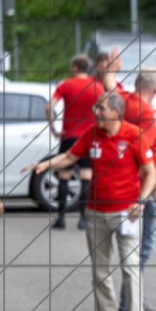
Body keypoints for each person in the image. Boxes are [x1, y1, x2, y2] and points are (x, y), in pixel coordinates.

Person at [25, 90, 156, 311]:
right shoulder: (91, 134)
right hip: (96, 213)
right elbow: (69, 157)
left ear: (117, 112)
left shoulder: (133, 135)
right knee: (100, 270)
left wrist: (141, 200)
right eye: (96, 108)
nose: (96, 113)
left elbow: (150, 173)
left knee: (130, 268)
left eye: (101, 109)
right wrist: (45, 165)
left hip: (127, 213)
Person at [120, 65, 156, 311]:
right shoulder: (144, 110)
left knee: (133, 247)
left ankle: (129, 301)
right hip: (141, 190)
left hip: (133, 188)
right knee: (140, 248)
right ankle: (131, 304)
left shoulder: (128, 102)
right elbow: (143, 155)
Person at [47, 53, 103, 230]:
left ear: (74, 67)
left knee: (64, 175)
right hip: (89, 138)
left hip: (69, 136)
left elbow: (49, 106)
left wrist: (53, 128)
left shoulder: (65, 84)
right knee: (86, 176)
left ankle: (61, 218)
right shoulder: (97, 86)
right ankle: (83, 219)